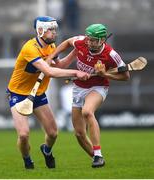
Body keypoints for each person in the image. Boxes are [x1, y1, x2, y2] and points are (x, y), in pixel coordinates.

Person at [6, 16, 90, 169]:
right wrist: (76, 73)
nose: (54, 33)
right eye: (50, 30)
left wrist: (76, 52)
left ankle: (47, 150)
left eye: (54, 29)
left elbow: (61, 65)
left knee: (52, 133)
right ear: (40, 31)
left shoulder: (51, 47)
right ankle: (27, 160)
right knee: (24, 134)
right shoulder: (29, 48)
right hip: (18, 94)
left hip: (38, 94)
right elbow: (49, 71)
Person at [47, 23, 130, 168]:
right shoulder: (82, 42)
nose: (90, 42)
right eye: (89, 39)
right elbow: (67, 42)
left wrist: (105, 74)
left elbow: (125, 76)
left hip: (98, 87)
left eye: (94, 40)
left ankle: (98, 154)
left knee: (87, 111)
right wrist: (52, 57)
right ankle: (97, 158)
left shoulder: (111, 55)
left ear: (102, 39)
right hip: (79, 87)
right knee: (79, 133)